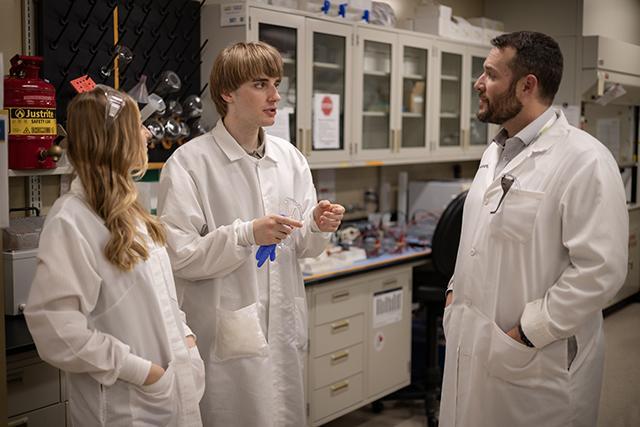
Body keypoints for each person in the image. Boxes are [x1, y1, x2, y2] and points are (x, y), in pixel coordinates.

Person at [439, 31, 628, 427]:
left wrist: (528, 331)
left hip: (534, 361)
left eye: (490, 74)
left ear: (527, 85)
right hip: (475, 345)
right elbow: (478, 240)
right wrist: (456, 292)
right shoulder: (496, 152)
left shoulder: (585, 160)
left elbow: (600, 271)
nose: (478, 83)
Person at [157, 41, 345, 426]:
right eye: (261, 84)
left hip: (284, 327)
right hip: (226, 333)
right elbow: (181, 257)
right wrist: (244, 235)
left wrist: (318, 226)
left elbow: (304, 248)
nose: (276, 96)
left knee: (284, 412)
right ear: (228, 93)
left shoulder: (290, 159)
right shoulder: (190, 164)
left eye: (276, 83)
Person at [24, 86, 205, 426]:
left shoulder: (132, 213)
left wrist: (186, 341)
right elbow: (55, 329)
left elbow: (160, 297)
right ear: (114, 139)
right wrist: (140, 371)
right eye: (138, 125)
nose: (148, 132)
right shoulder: (71, 220)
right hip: (129, 405)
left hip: (172, 391)